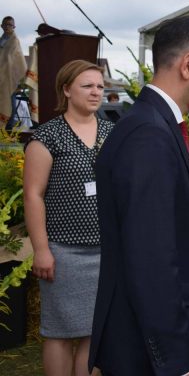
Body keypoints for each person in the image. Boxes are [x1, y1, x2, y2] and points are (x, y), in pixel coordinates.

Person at [89, 16, 189, 375]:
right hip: (146, 351)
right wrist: (177, 361)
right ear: (188, 64)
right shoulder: (149, 135)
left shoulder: (158, 125)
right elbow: (151, 259)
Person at [23, 60, 112, 376]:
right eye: (87, 85)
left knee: (95, 331)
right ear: (66, 89)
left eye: (100, 86)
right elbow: (33, 195)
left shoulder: (112, 132)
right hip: (64, 251)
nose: (96, 92)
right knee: (60, 333)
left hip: (106, 250)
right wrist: (42, 249)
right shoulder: (47, 136)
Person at [0, 16, 28, 126]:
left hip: (10, 79)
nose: (7, 27)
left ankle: (10, 131)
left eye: (9, 25)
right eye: (5, 24)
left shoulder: (14, 41)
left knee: (11, 105)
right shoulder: (2, 40)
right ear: (1, 26)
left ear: (14, 27)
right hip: (1, 78)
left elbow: (14, 59)